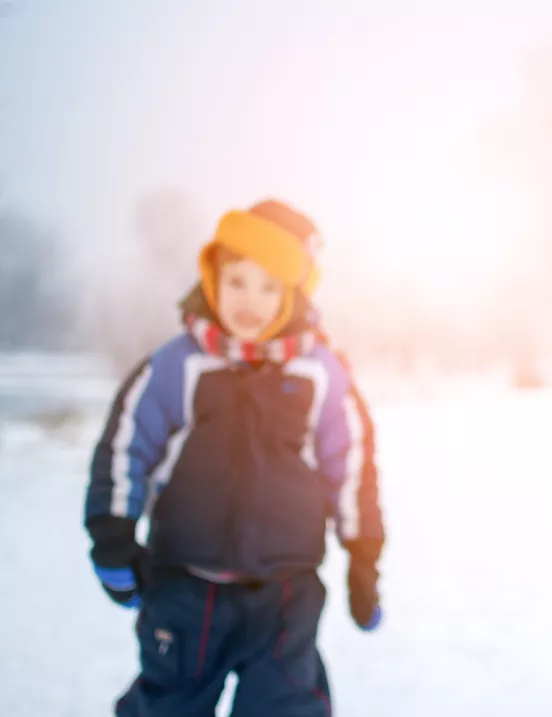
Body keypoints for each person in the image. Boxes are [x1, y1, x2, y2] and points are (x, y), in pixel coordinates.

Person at [84, 199, 385, 716]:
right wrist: (112, 537)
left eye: (270, 287)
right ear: (212, 280)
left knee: (286, 706)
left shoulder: (322, 374)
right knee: (170, 704)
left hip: (285, 595)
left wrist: (363, 558)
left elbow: (351, 467)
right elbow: (124, 448)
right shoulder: (177, 364)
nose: (251, 300)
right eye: (238, 281)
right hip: (184, 587)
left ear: (293, 295)